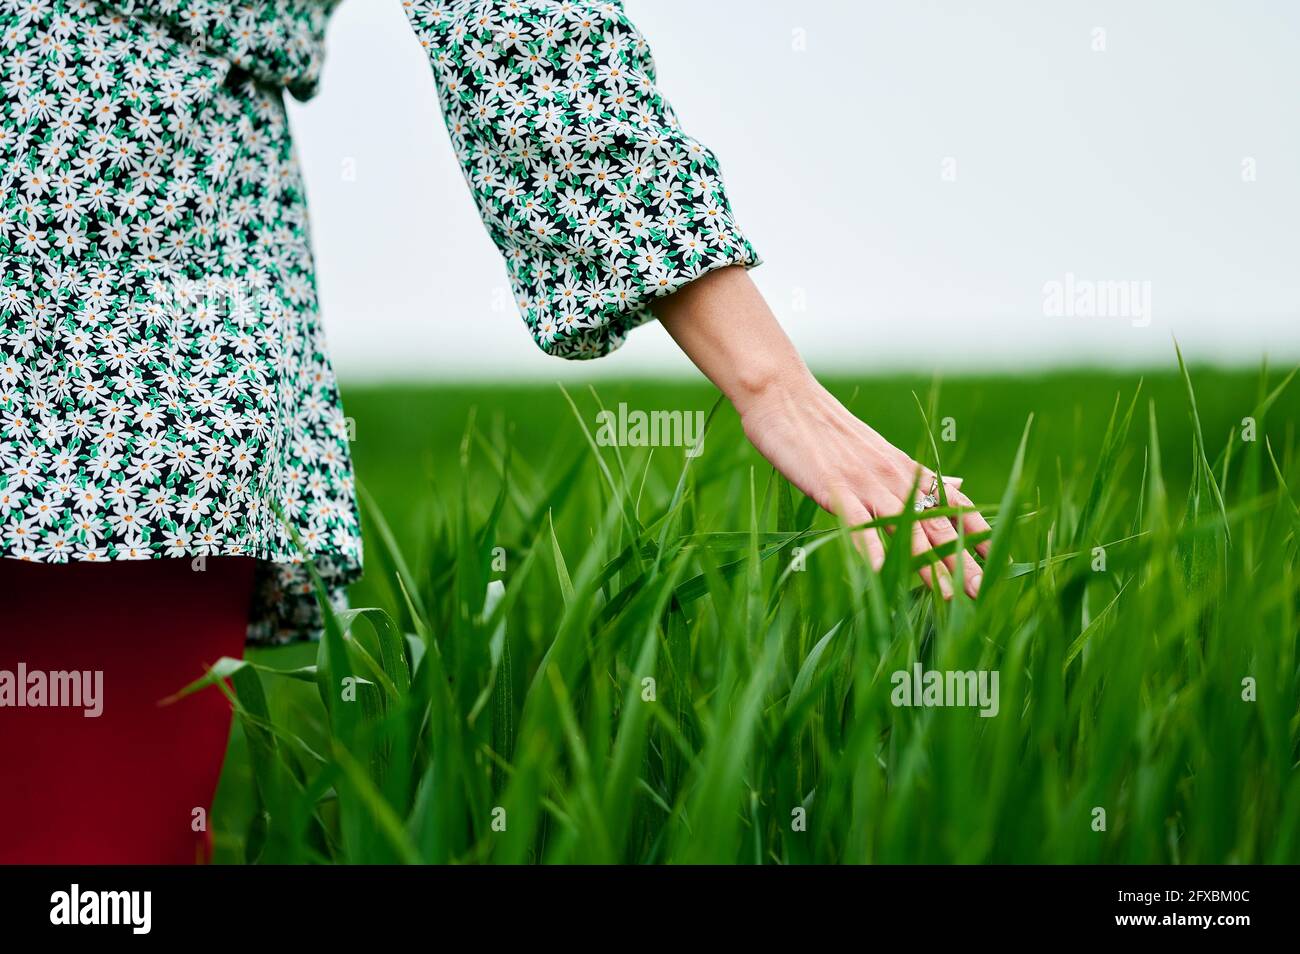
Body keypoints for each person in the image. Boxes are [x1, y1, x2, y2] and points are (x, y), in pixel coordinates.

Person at [0, 0, 990, 863]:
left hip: (103, 309)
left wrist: (769, 380)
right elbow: (519, 22)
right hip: (114, 299)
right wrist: (768, 382)